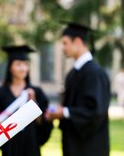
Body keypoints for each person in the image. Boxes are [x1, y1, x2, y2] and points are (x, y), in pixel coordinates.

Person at [45, 22, 110, 156]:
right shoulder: (74, 73)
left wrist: (64, 112)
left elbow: (95, 111)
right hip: (73, 144)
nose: (62, 48)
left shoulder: (94, 73)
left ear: (78, 42)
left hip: (91, 147)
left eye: (65, 43)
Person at [0, 45, 53, 156]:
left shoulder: (36, 92)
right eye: (18, 64)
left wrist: (33, 103)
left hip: (31, 146)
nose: (23, 68)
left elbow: (43, 123)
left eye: (26, 64)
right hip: (9, 147)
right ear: (10, 67)